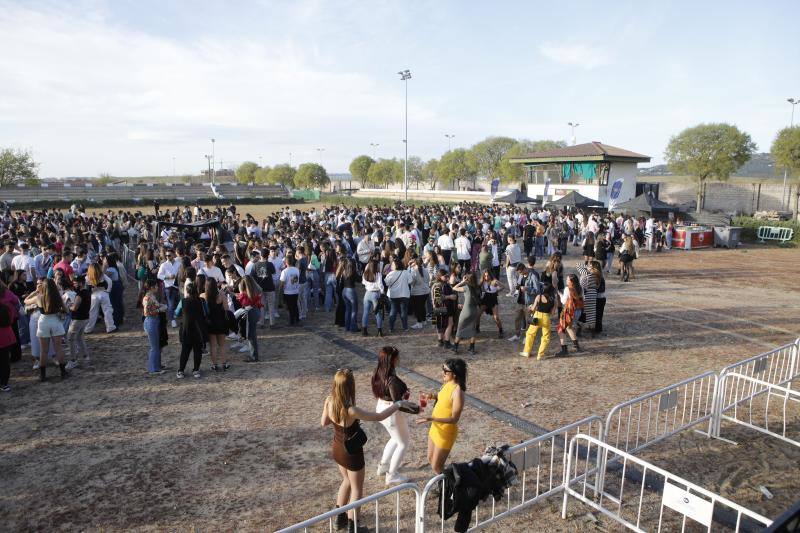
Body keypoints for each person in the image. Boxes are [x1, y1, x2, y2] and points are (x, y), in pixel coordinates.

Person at [321, 368, 415, 532]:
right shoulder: (351, 410)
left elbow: (324, 422)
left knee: (346, 481)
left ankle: (339, 519)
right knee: (357, 489)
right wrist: (398, 404)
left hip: (337, 447)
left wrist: (336, 418)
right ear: (350, 387)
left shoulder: (329, 400)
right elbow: (378, 417)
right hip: (351, 452)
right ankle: (353, 526)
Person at [371, 346, 413, 485]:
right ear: (393, 359)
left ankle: (383, 466)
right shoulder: (392, 379)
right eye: (397, 357)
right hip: (391, 412)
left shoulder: (378, 372)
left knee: (395, 438)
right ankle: (392, 474)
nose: (399, 359)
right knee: (403, 442)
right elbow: (398, 403)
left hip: (381, 407)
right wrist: (415, 409)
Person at [417, 358, 467, 474]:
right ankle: (443, 486)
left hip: (446, 433)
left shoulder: (458, 392)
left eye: (445, 371)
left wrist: (431, 418)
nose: (442, 373)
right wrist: (432, 396)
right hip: (435, 428)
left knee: (436, 466)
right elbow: (442, 397)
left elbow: (454, 419)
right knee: (430, 459)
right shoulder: (447, 384)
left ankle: (447, 489)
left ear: (454, 374)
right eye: (443, 369)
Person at [37, 279, 69, 381]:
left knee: (44, 350)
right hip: (55, 321)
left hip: (43, 322)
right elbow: (67, 310)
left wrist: (35, 292)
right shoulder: (57, 298)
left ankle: (42, 375)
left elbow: (26, 301)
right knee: (58, 348)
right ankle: (63, 372)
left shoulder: (39, 298)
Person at [176, 281, 207, 378]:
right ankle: (196, 370)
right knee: (197, 350)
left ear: (187, 291)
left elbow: (176, 313)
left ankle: (181, 370)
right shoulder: (201, 301)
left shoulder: (183, 301)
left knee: (185, 350)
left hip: (186, 329)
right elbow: (206, 312)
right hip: (199, 329)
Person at [519, 282, 556, 359]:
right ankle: (540, 355)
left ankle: (526, 352)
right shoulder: (553, 300)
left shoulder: (538, 297)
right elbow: (552, 313)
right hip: (546, 318)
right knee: (545, 337)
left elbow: (532, 309)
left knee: (530, 334)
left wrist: (530, 308)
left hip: (537, 317)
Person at [201, 277, 230, 372]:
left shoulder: (203, 296)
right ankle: (224, 364)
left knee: (213, 346)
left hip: (209, 323)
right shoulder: (221, 295)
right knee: (222, 344)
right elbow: (226, 309)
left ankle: (214, 365)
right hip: (220, 322)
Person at [141, 278, 167, 375]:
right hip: (151, 322)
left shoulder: (151, 296)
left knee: (156, 346)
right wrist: (160, 310)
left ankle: (157, 365)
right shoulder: (148, 298)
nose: (157, 287)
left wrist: (161, 306)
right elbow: (147, 312)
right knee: (154, 347)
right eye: (156, 286)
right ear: (151, 287)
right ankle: (153, 368)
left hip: (154, 321)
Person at [66, 275, 91, 368]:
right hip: (85, 318)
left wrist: (68, 306)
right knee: (80, 338)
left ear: (81, 283)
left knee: (70, 338)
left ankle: (73, 360)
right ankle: (86, 356)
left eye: (76, 283)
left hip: (78, 319)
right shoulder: (87, 292)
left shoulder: (80, 294)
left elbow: (75, 308)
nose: (74, 284)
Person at [451, 272, 479, 354]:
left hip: (466, 311)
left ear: (467, 279)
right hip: (474, 311)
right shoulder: (477, 288)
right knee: (472, 329)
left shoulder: (466, 287)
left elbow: (454, 288)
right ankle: (472, 348)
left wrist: (462, 282)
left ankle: (455, 347)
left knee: (460, 329)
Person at [84, 263, 116, 334]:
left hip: (93, 296)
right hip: (104, 294)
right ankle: (110, 327)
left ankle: (88, 329)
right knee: (107, 311)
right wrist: (108, 291)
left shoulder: (87, 277)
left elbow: (85, 287)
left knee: (92, 312)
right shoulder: (102, 275)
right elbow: (110, 282)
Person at [237, 275, 263, 361]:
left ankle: (254, 356)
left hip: (251, 313)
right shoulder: (256, 291)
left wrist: (240, 293)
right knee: (252, 334)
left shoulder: (246, 294)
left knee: (251, 336)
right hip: (256, 311)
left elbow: (244, 303)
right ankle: (254, 355)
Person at [384, 258, 414, 333]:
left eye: (393, 264)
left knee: (393, 311)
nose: (391, 266)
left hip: (393, 295)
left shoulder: (390, 274)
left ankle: (391, 327)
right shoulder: (406, 272)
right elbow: (410, 281)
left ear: (396, 265)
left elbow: (386, 283)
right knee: (403, 312)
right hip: (404, 294)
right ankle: (405, 327)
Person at [0, 281, 20, 391]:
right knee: (4, 360)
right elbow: (11, 316)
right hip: (6, 333)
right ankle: (4, 383)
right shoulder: (7, 294)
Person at [557, 274, 584, 355]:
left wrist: (560, 294)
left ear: (571, 281)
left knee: (561, 329)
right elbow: (583, 299)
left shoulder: (567, 289)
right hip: (578, 311)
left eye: (568, 279)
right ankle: (577, 346)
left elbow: (563, 301)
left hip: (569, 312)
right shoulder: (580, 288)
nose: (566, 280)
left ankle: (564, 350)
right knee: (569, 327)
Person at [431, 269, 456, 349]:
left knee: (439, 325)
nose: (447, 278)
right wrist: (450, 297)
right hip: (442, 307)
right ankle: (446, 342)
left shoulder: (441, 284)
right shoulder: (437, 285)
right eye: (445, 276)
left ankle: (440, 341)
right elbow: (438, 298)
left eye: (447, 276)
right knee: (449, 324)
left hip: (438, 308)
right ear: (440, 276)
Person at [361, 259, 384, 337]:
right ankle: (379, 330)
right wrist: (382, 293)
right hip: (375, 294)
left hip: (367, 294)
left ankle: (364, 330)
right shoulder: (378, 274)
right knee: (378, 313)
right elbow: (380, 286)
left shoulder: (365, 273)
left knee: (365, 312)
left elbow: (363, 283)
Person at [477, 270, 504, 338]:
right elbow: (477, 287)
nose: (486, 277)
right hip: (486, 298)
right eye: (485, 275)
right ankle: (477, 328)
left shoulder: (494, 281)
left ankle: (501, 330)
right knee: (478, 314)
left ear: (490, 275)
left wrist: (497, 290)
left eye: (487, 275)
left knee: (496, 317)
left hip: (493, 299)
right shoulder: (483, 281)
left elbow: (503, 286)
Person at [157, 249, 180, 327]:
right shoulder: (164, 265)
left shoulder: (178, 264)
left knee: (178, 303)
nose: (167, 257)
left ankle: (175, 315)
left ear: (173, 255)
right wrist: (168, 277)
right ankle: (172, 320)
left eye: (169, 255)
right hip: (169, 287)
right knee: (171, 304)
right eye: (166, 255)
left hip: (178, 286)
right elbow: (159, 275)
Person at [279, 254, 301, 326]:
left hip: (288, 292)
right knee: (295, 306)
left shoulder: (284, 271)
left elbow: (282, 283)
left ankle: (292, 321)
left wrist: (280, 292)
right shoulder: (296, 269)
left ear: (286, 262)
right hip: (295, 291)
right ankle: (297, 319)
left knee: (290, 307)